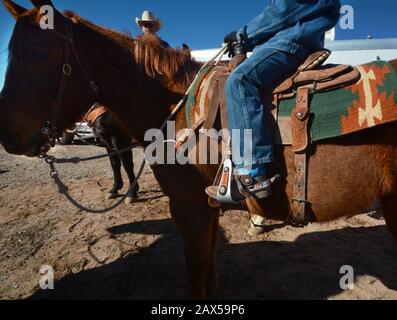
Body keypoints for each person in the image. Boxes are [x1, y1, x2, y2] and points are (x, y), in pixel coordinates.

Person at [206, 0, 341, 203]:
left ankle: (251, 173)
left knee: (240, 81)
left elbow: (283, 11)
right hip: (290, 38)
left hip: (292, 41)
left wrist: (242, 36)